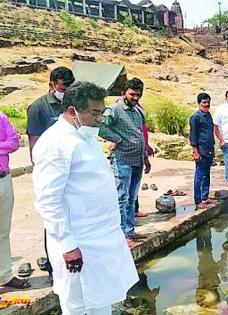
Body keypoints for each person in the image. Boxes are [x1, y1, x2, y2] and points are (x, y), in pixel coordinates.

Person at [32, 81, 138, 315]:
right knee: (78, 305)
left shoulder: (83, 136)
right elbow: (48, 199)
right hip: (78, 241)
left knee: (101, 301)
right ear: (73, 111)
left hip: (100, 238)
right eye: (95, 113)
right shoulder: (56, 143)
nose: (101, 119)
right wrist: (68, 244)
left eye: (102, 112)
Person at [26, 66, 75, 280]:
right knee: (52, 219)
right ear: (52, 85)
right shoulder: (38, 108)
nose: (66, 91)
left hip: (71, 170)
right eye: (63, 88)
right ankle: (54, 268)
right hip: (51, 171)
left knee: (70, 216)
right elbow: (34, 144)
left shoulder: (70, 105)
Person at [99, 78, 151, 241]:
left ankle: (129, 230)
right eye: (132, 94)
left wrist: (145, 158)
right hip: (122, 159)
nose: (135, 98)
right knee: (122, 196)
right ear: (124, 93)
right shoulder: (114, 110)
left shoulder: (138, 111)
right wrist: (117, 139)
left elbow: (140, 134)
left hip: (137, 160)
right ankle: (121, 233)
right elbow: (100, 127)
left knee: (132, 196)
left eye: (138, 95)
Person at [0, 111, 31, 290]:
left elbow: (14, 142)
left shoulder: (1, 117)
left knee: (3, 230)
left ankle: (4, 275)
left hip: (4, 178)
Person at [189, 93, 217, 209]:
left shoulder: (209, 115)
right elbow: (193, 136)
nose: (206, 105)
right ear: (199, 103)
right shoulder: (195, 117)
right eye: (204, 102)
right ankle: (198, 200)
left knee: (207, 174)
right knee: (199, 175)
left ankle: (205, 197)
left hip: (209, 149)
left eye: (208, 103)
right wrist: (195, 151)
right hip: (201, 150)